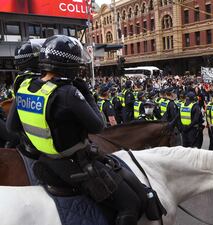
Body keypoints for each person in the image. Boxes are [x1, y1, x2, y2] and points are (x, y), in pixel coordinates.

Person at [7, 35, 151, 225]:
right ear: (68, 65)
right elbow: (98, 126)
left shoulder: (23, 87)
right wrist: (87, 95)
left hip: (43, 160)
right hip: (73, 163)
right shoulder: (67, 92)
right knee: (130, 203)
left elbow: (12, 127)